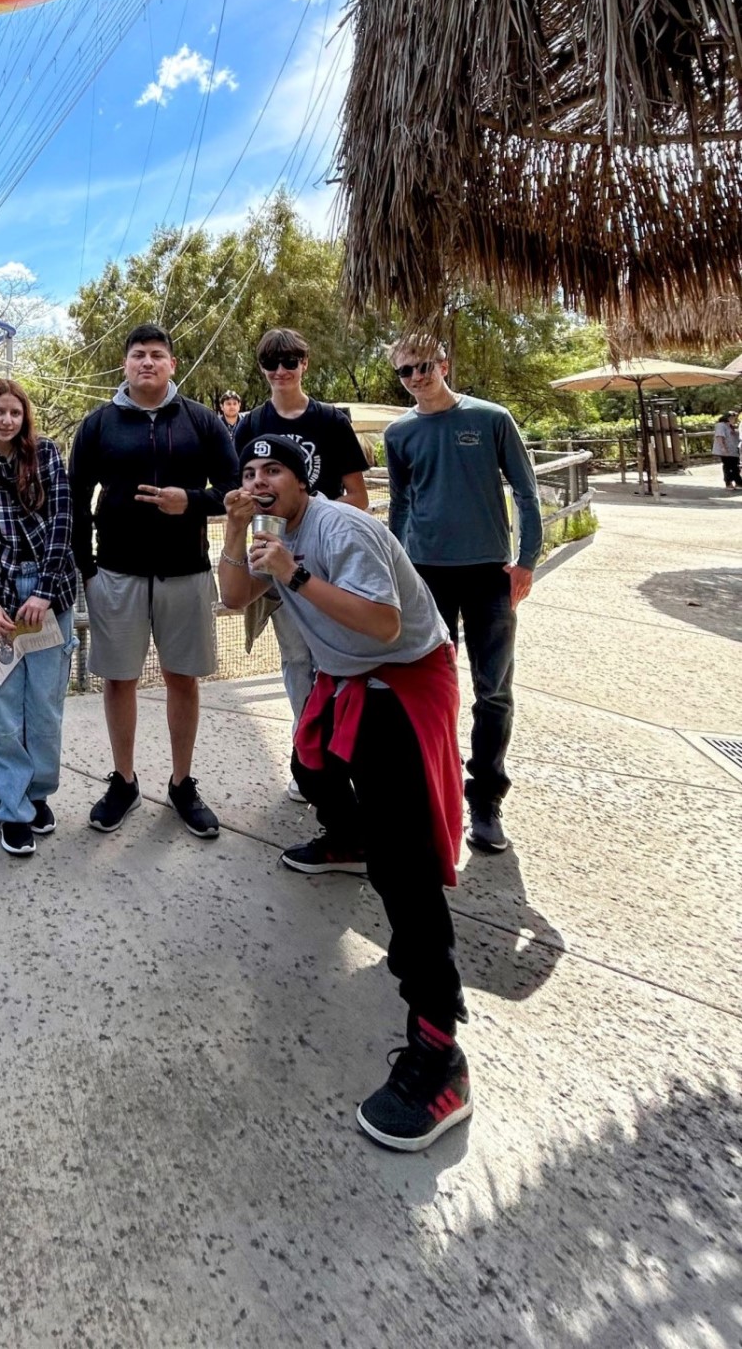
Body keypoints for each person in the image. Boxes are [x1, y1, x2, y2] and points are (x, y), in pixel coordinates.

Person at [218, 435, 470, 1152]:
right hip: (345, 681)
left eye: (273, 472)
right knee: (311, 769)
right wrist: (237, 529)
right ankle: (345, 838)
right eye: (249, 472)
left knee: (404, 866)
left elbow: (384, 623)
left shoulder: (341, 527)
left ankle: (438, 1051)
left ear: (303, 481)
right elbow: (232, 596)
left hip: (400, 684)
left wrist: (294, 577)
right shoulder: (271, 531)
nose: (259, 480)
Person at [69, 322, 238, 838]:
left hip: (185, 571)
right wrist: (88, 570)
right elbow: (75, 500)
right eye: (138, 354)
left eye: (157, 355)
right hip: (116, 573)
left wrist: (192, 501)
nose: (148, 362)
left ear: (172, 365)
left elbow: (235, 491)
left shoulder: (203, 422)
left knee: (181, 678)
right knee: (119, 679)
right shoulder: (99, 425)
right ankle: (124, 781)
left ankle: (182, 783)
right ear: (125, 364)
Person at [384, 335, 542, 857]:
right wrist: (395, 566)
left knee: (492, 688)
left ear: (444, 364)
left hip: (489, 572)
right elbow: (402, 504)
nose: (415, 378)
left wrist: (527, 559)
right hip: (426, 573)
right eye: (405, 371)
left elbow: (525, 490)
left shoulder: (491, 419)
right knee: (430, 687)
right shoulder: (399, 432)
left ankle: (486, 798)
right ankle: (437, 786)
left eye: (422, 366)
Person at [235, 326, 370, 793]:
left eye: (289, 362)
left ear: (304, 365)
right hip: (271, 559)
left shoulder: (331, 421)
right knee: (295, 660)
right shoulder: (249, 424)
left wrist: (312, 516)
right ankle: (307, 752)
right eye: (271, 364)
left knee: (336, 658)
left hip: (326, 563)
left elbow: (358, 497)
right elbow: (239, 491)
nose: (280, 372)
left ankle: (340, 758)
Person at [0, 379, 76, 855]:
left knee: (44, 703)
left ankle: (37, 791)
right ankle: (11, 807)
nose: (7, 420)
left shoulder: (45, 457)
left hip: (47, 597)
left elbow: (63, 524)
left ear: (24, 417)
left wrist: (43, 593)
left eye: (15, 412)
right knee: (0, 709)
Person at [713, 410, 741, 489]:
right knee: (728, 466)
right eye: (732, 418)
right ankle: (729, 482)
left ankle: (737, 482)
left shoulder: (731, 426)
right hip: (726, 450)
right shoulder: (721, 425)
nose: (734, 419)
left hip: (733, 450)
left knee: (735, 466)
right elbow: (719, 437)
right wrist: (723, 448)